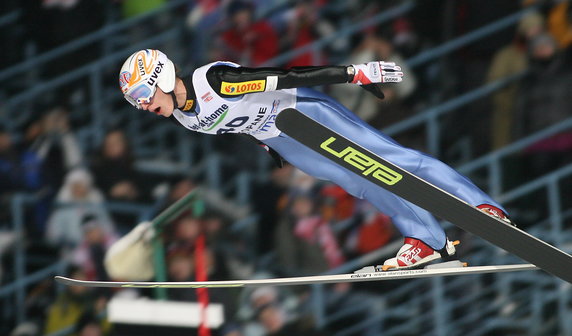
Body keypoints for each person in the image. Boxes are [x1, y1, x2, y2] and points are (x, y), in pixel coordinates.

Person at [117, 49, 512, 271]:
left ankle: (483, 207)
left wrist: (352, 73)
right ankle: (429, 240)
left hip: (303, 111)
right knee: (363, 181)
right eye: (136, 102)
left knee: (396, 161)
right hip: (284, 138)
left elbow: (287, 76)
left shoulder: (216, 82)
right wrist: (268, 146)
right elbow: (236, 123)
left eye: (143, 95)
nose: (143, 105)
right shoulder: (183, 116)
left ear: (163, 78)